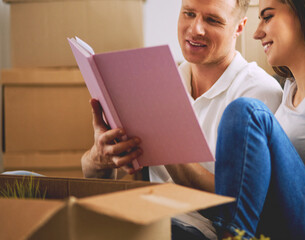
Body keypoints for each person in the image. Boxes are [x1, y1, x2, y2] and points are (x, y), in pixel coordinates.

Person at [81, 0, 283, 239]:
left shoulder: (257, 95)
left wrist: (163, 139)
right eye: (188, 14)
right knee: (25, 180)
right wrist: (99, 157)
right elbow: (96, 178)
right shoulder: (158, 81)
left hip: (195, 230)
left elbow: (238, 205)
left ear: (239, 27)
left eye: (212, 20)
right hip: (141, 214)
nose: (195, 29)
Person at [212, 0, 305, 239]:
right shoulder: (290, 88)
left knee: (246, 113)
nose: (257, 32)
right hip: (279, 223)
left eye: (267, 17)